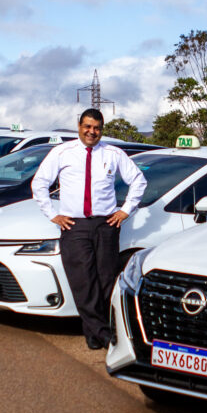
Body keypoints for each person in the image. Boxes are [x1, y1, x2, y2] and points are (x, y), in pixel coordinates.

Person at [32, 108, 146, 349]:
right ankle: (104, 334)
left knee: (105, 280)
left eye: (96, 128)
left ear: (101, 130)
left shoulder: (113, 154)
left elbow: (138, 180)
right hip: (75, 226)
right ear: (79, 126)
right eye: (87, 126)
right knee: (82, 281)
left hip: (106, 225)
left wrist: (126, 210)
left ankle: (94, 335)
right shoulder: (62, 153)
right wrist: (53, 214)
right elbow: (39, 183)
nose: (92, 132)